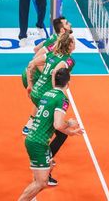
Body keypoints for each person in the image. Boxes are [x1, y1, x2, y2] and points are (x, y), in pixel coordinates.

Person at [18, 68, 82, 201]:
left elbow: (53, 122)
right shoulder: (62, 100)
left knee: (49, 168)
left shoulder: (47, 93)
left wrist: (70, 133)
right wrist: (69, 123)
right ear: (68, 84)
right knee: (41, 182)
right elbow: (58, 125)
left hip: (36, 139)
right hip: (38, 143)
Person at [26, 32, 76, 186]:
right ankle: (45, 167)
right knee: (59, 132)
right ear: (69, 45)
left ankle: (32, 127)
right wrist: (57, 91)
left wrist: (30, 84)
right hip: (45, 96)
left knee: (55, 130)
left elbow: (31, 64)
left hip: (36, 93)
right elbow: (55, 72)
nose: (75, 43)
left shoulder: (51, 55)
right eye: (73, 42)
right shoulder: (69, 60)